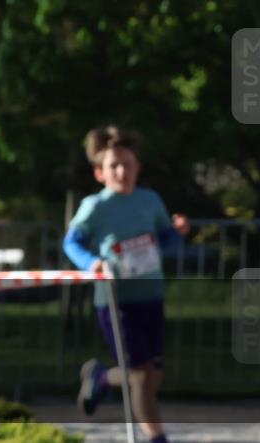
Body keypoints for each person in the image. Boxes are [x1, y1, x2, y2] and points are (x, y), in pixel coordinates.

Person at [63, 126, 189, 443]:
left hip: (151, 295)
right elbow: (71, 243)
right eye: (113, 166)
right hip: (116, 299)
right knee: (143, 377)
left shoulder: (150, 200)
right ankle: (157, 439)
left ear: (138, 167)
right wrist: (93, 263)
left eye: (127, 164)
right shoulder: (95, 206)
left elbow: (165, 243)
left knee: (152, 374)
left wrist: (178, 232)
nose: (121, 171)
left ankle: (102, 377)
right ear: (99, 172)